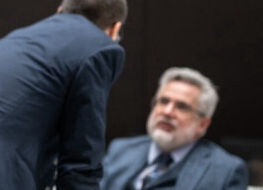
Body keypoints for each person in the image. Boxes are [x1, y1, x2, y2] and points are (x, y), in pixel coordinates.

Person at [0, 0, 128, 190]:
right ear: (115, 29)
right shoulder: (101, 47)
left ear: (61, 10)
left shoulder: (25, 36)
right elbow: (82, 158)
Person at [101, 67, 248, 189]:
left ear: (202, 124)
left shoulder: (226, 170)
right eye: (163, 101)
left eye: (182, 107)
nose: (167, 112)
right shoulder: (121, 149)